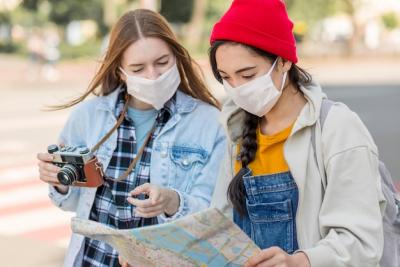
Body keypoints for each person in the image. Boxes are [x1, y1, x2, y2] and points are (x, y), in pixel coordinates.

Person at [37, 9, 226, 267]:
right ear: (120, 71)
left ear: (178, 57)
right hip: (94, 260)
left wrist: (171, 201)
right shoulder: (89, 116)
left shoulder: (209, 122)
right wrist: (60, 181)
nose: (153, 76)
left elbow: (214, 215)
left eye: (162, 62)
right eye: (138, 68)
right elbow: (71, 203)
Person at [209, 0, 386, 266]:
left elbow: (362, 242)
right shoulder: (236, 132)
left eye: (247, 75)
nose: (237, 88)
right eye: (226, 77)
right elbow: (218, 230)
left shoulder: (337, 128)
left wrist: (300, 261)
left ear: (283, 62)